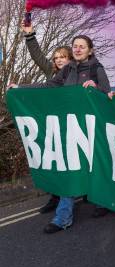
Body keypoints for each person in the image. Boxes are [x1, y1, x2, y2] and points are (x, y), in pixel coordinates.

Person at [12, 35, 112, 233]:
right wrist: (21, 88)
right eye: (75, 46)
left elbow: (107, 95)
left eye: (82, 46)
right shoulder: (68, 69)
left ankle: (101, 200)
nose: (77, 49)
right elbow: (50, 86)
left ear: (90, 50)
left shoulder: (97, 69)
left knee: (93, 165)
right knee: (71, 168)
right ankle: (63, 218)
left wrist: (97, 89)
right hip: (70, 129)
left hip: (89, 130)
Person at [20, 21, 72, 214]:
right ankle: (55, 196)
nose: (59, 60)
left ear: (70, 59)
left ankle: (91, 198)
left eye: (63, 57)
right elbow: (37, 55)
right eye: (56, 57)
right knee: (53, 162)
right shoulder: (51, 72)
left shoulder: (76, 75)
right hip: (53, 125)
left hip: (72, 126)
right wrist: (30, 35)